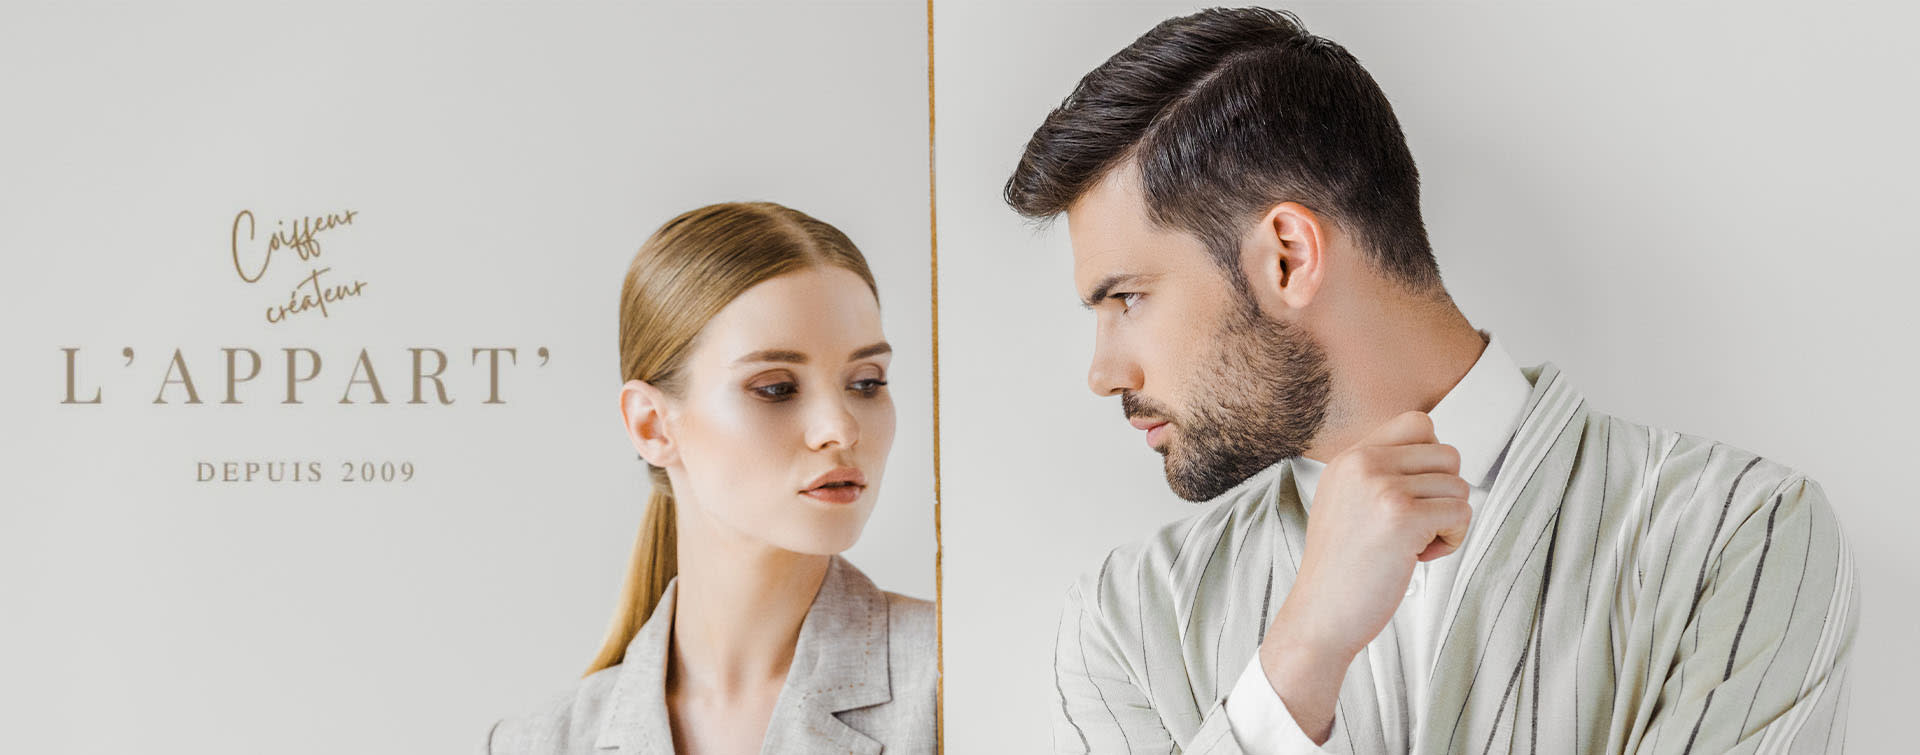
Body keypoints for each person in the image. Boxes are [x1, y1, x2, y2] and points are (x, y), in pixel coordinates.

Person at [1003, 8, 1857, 754]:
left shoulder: (1738, 536)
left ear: (1287, 257)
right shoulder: (1124, 622)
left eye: (1127, 299)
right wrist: (1298, 662)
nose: (1102, 371)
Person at [482, 201, 937, 755]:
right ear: (651, 426)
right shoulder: (542, 743)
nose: (839, 427)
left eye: (866, 382)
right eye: (776, 388)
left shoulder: (961, 680)